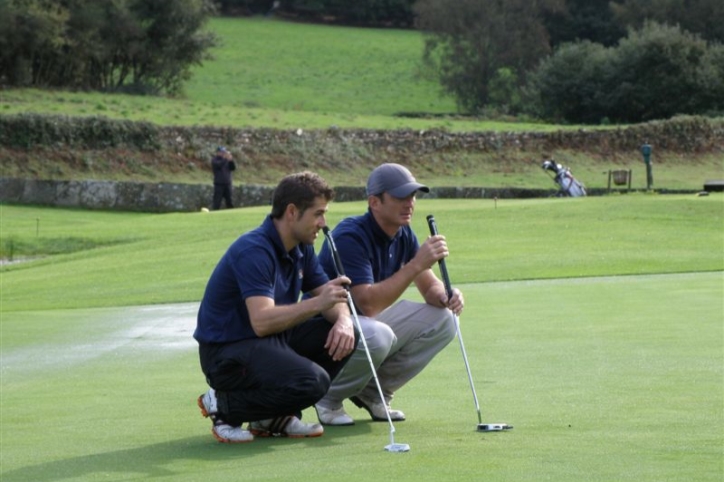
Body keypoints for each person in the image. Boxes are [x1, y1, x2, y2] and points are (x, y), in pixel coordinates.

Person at [194, 171, 358, 443]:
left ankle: (275, 416)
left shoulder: (301, 248)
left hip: (264, 342)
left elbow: (329, 297)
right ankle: (224, 406)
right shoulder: (254, 250)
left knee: (345, 335)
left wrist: (343, 321)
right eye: (318, 214)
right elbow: (262, 322)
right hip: (227, 353)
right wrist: (320, 302)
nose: (323, 222)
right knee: (313, 381)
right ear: (292, 212)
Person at [313, 163, 464, 426]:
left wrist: (447, 295)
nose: (410, 204)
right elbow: (367, 304)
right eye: (400, 197)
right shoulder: (351, 236)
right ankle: (328, 398)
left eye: (413, 196)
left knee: (446, 319)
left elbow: (429, 287)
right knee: (378, 333)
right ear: (375, 202)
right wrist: (417, 263)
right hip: (328, 330)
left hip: (364, 331)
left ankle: (373, 393)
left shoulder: (403, 233)